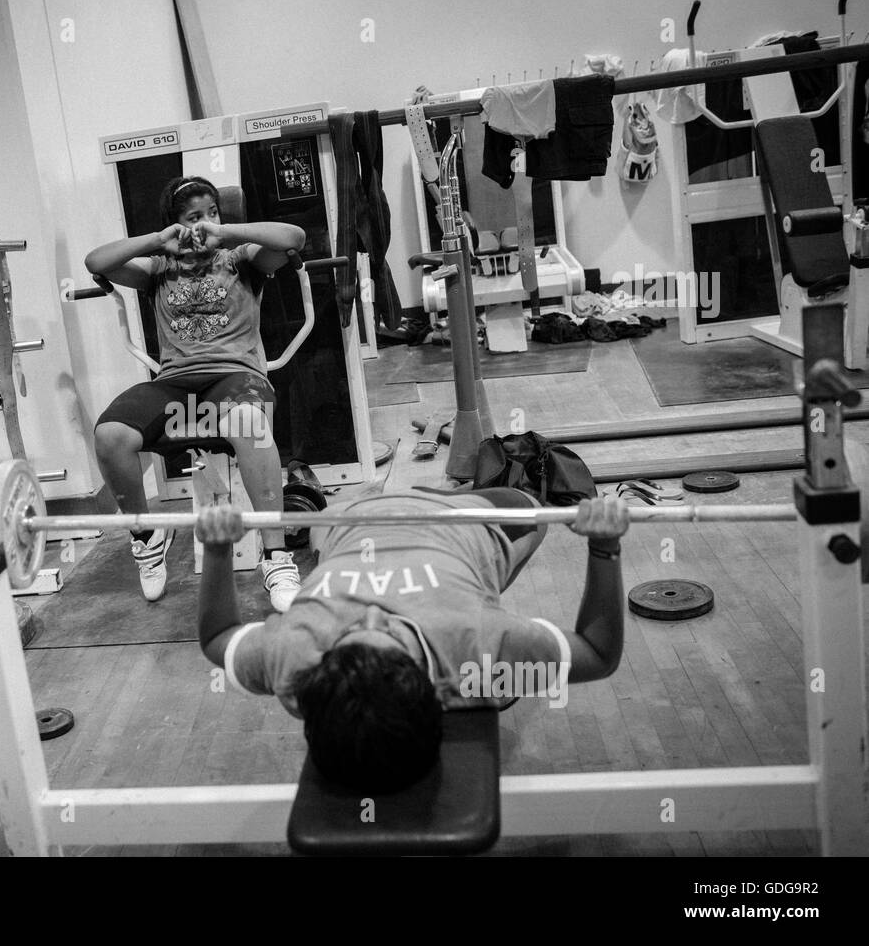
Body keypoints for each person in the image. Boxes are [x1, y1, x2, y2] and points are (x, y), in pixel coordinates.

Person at [193, 485, 630, 792]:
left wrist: (217, 549)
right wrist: (604, 546)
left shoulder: (294, 658)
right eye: (389, 631)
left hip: (348, 516)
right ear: (430, 685)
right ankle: (482, 576)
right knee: (530, 508)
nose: (372, 612)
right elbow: (598, 652)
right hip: (466, 513)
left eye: (350, 634)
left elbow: (217, 638)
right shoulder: (477, 646)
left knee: (323, 525)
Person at [86, 176, 306, 610]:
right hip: (175, 383)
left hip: (236, 377)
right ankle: (146, 536)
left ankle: (277, 557)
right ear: (175, 225)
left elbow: (293, 238)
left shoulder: (241, 258)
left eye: (211, 212)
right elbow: (97, 261)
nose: (204, 223)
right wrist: (158, 241)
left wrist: (225, 232)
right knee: (110, 435)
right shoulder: (157, 270)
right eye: (193, 217)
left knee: (248, 422)